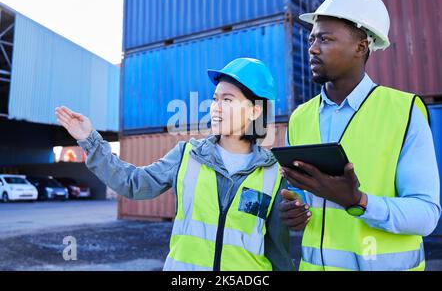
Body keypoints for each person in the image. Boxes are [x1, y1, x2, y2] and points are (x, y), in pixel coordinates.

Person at [55, 57, 295, 271]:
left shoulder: (274, 172)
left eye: (228, 100)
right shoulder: (187, 155)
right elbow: (133, 183)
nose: (215, 108)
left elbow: (278, 252)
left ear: (254, 111)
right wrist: (90, 140)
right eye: (215, 99)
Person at [278, 0, 440, 271]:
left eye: (325, 39)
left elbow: (426, 216)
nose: (313, 48)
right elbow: (302, 193)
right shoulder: (299, 117)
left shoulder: (404, 112)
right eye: (312, 39)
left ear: (361, 47)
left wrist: (358, 201)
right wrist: (295, 209)